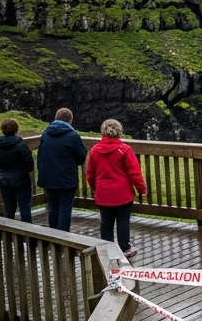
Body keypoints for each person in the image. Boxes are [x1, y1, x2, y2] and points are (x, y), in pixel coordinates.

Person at [85, 119, 145, 260]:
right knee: (123, 221)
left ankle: (107, 248)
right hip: (123, 193)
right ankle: (124, 248)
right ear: (119, 131)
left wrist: (96, 188)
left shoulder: (94, 150)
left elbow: (90, 174)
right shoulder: (124, 149)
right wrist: (141, 189)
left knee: (106, 221)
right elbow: (134, 172)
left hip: (103, 193)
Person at [37, 107, 88, 231]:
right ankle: (63, 238)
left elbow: (40, 155)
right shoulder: (72, 136)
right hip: (66, 179)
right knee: (65, 208)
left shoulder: (45, 134)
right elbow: (81, 157)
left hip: (48, 177)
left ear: (55, 118)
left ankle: (54, 235)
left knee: (53, 207)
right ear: (70, 120)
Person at [0, 118, 34, 223]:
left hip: (4, 180)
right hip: (21, 180)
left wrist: (3, 170)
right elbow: (29, 164)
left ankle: (8, 235)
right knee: (25, 209)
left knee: (9, 209)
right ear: (16, 129)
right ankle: (28, 235)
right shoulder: (21, 145)